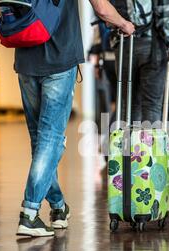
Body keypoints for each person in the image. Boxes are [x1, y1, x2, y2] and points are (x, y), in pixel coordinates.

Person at [15, 0, 135, 237]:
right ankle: (29, 214)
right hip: (59, 60)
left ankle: (58, 207)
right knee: (50, 139)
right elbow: (101, 8)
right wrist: (125, 24)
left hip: (26, 59)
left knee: (41, 141)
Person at [111, 0, 169, 125]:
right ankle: (149, 143)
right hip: (152, 47)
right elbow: (164, 18)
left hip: (123, 45)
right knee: (151, 105)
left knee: (128, 105)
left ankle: (129, 143)